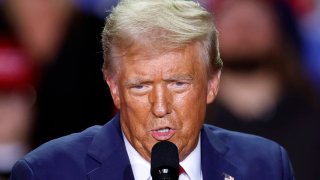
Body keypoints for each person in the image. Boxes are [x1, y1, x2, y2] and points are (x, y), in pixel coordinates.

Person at [10, 0, 294, 179]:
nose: (160, 106)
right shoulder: (48, 172)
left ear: (211, 84)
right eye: (140, 86)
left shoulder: (265, 165)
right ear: (114, 88)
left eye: (178, 83)